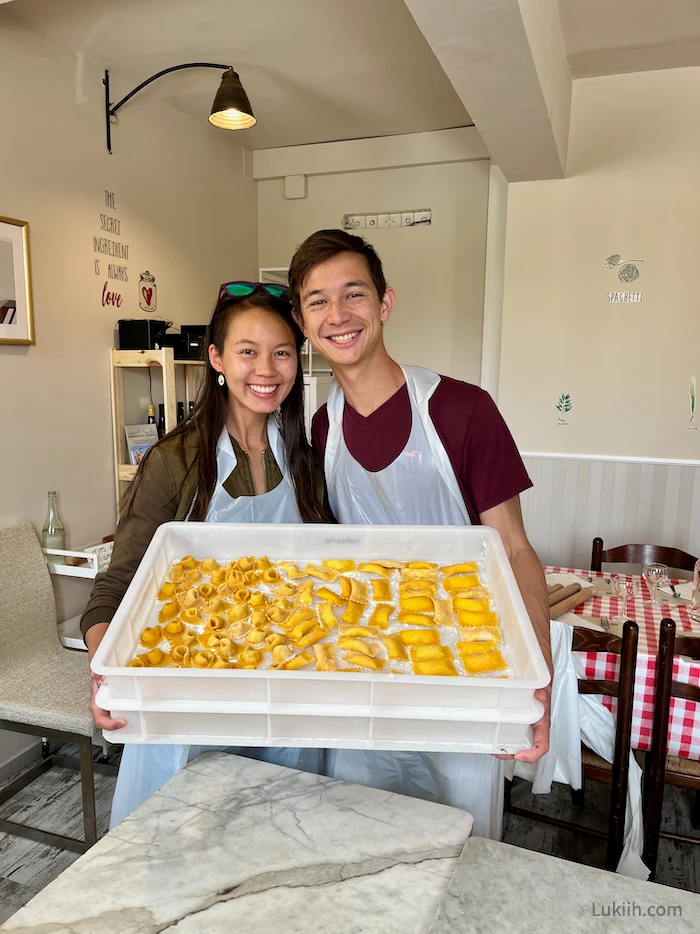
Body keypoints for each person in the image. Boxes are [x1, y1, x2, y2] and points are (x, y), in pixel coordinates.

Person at [288, 229, 552, 839]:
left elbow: (514, 549)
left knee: (463, 843)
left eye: (353, 294)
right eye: (318, 301)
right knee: (360, 840)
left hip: (463, 678)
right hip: (362, 678)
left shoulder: (464, 411)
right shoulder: (321, 431)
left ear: (384, 303)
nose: (338, 315)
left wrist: (534, 679)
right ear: (303, 322)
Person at [82, 281, 334, 827]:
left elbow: (331, 576)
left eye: (282, 352)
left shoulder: (309, 462)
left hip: (288, 696)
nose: (266, 368)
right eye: (248, 351)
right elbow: (115, 586)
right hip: (193, 699)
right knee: (188, 848)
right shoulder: (174, 461)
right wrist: (105, 674)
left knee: (284, 842)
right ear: (216, 358)